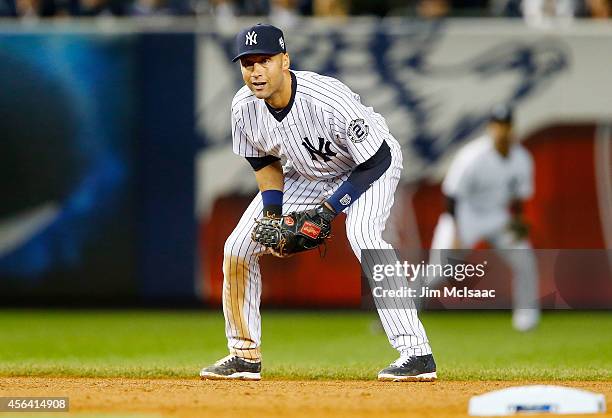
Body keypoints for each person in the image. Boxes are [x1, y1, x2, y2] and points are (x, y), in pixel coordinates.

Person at [199, 23, 436, 382]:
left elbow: (378, 159)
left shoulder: (326, 98)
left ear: (285, 60)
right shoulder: (243, 108)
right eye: (248, 64)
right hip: (307, 173)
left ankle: (416, 353)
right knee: (238, 247)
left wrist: (327, 212)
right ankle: (244, 355)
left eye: (265, 60)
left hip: (367, 166)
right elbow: (264, 163)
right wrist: (273, 217)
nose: (256, 71)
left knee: (364, 236)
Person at [429, 105, 540, 332]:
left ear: (512, 127)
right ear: (491, 128)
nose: (503, 130)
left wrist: (517, 220)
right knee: (438, 272)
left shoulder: (522, 158)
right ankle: (397, 315)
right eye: (498, 125)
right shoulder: (473, 155)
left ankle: (526, 320)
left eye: (506, 125)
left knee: (525, 261)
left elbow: (519, 197)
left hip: (497, 216)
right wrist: (457, 234)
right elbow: (451, 195)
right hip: (464, 215)